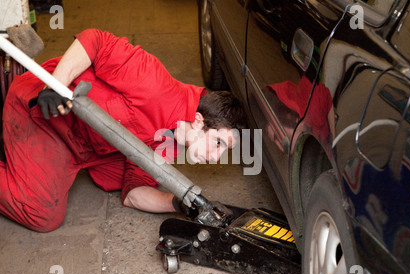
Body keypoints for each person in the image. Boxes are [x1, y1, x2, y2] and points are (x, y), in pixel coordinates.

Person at [0, 29, 246, 232]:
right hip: (43, 117)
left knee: (120, 175)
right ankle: (14, 131)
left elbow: (133, 194)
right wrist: (54, 86)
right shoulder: (155, 85)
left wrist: (178, 203)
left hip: (81, 150)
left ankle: (17, 159)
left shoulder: (170, 143)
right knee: (42, 214)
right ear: (198, 120)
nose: (216, 157)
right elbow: (95, 39)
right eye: (218, 143)